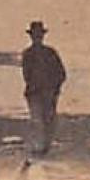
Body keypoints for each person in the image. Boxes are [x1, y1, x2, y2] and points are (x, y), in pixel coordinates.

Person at [21, 20, 66, 157]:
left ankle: (45, 144)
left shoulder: (50, 53)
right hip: (35, 92)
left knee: (48, 118)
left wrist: (55, 88)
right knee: (37, 119)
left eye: (39, 35)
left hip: (49, 92)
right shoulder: (27, 54)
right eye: (35, 36)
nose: (37, 38)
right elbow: (26, 74)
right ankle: (38, 146)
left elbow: (61, 73)